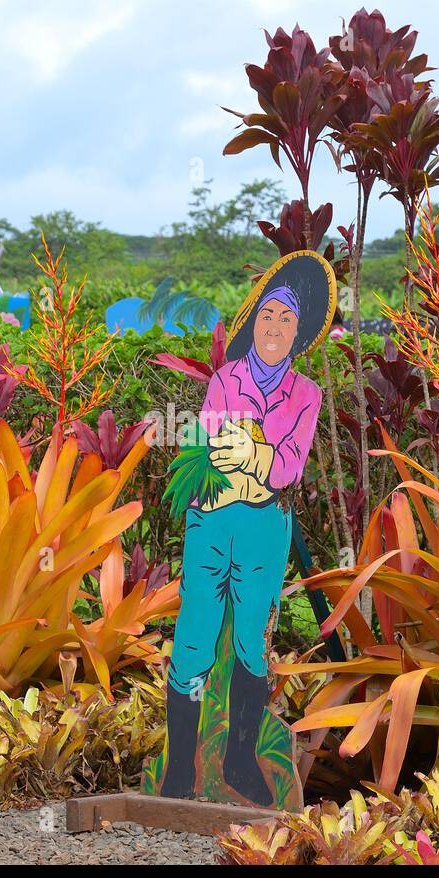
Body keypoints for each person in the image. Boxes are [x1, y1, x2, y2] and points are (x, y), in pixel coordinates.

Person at [160, 252, 333, 805]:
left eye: (286, 318)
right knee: (193, 638)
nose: (275, 326)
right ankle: (181, 772)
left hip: (262, 531)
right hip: (212, 522)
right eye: (267, 314)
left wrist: (255, 457)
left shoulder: (307, 395)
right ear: (253, 321)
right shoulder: (224, 380)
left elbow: (288, 467)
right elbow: (209, 455)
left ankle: (239, 760)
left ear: (299, 331)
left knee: (252, 644)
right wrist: (250, 462)